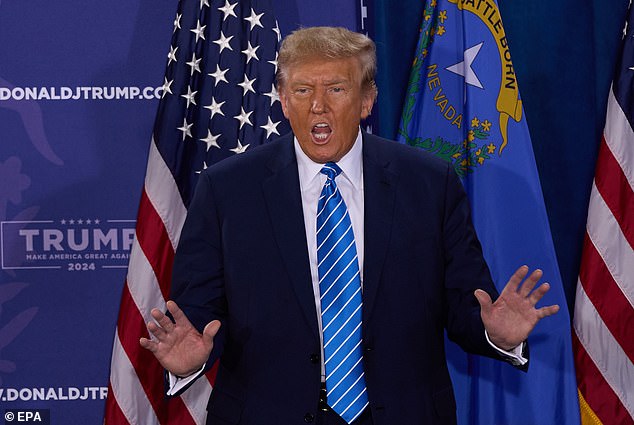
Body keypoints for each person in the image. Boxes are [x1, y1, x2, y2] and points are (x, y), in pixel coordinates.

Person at [140, 26, 559, 425]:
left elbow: (467, 305)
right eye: (302, 91)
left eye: (336, 89)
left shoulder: (429, 184)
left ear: (366, 100)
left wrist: (496, 334)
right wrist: (190, 360)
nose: (317, 106)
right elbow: (197, 317)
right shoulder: (226, 190)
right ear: (284, 101)